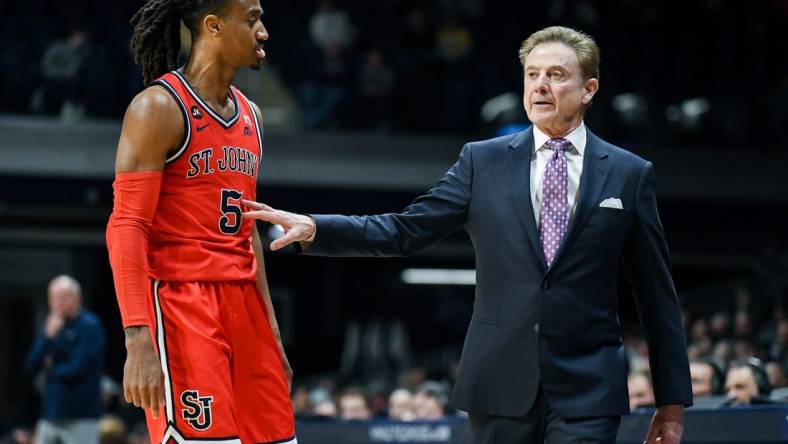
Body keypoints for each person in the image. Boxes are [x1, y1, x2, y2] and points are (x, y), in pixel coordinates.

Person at [243, 25, 692, 443]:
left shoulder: (630, 175)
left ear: (589, 89)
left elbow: (657, 296)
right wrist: (319, 229)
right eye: (532, 74)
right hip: (498, 383)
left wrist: (671, 406)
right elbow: (407, 230)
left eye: (556, 75)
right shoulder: (482, 161)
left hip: (588, 389)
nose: (540, 86)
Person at [105, 0, 295, 442]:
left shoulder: (253, 116)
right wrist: (138, 341)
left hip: (245, 306)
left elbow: (248, 233)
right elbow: (126, 228)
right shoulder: (157, 108)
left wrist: (272, 335)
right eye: (252, 19)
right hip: (182, 305)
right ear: (213, 26)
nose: (263, 31)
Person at [25, 275, 106, 444]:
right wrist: (48, 336)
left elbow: (78, 367)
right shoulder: (52, 327)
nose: (58, 303)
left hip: (81, 415)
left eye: (64, 298)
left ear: (77, 298)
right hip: (50, 413)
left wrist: (49, 370)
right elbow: (31, 365)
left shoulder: (90, 325)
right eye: (54, 298)